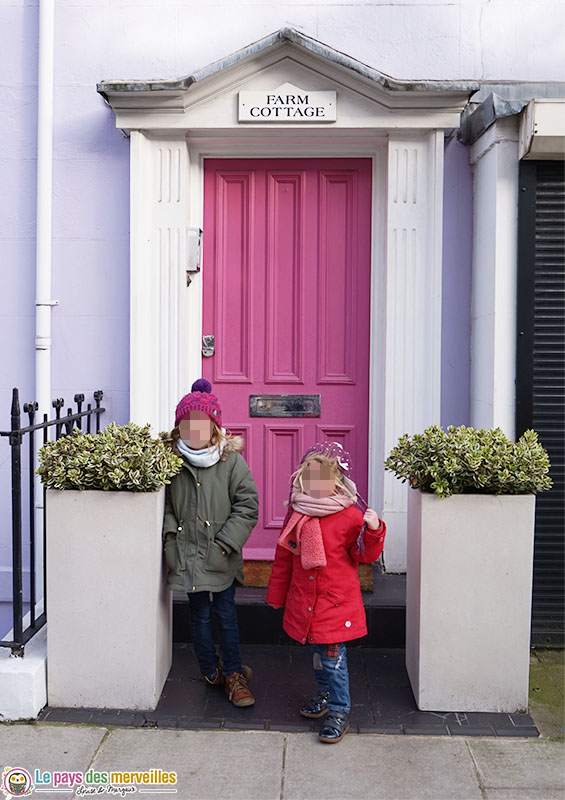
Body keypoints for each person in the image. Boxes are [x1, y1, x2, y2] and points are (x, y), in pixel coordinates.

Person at [266, 442, 386, 743]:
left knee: (333, 658)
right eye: (309, 478)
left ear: (336, 482)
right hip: (305, 602)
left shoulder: (348, 515)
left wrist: (373, 529)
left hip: (335, 604)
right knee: (319, 657)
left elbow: (364, 554)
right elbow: (284, 557)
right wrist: (276, 595)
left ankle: (338, 709)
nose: (315, 484)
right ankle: (324, 694)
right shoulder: (297, 512)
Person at [162, 378, 259, 707]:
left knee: (226, 615)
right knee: (199, 616)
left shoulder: (230, 462)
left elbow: (247, 506)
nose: (195, 431)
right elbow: (163, 508)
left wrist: (225, 543)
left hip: (220, 555)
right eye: (187, 425)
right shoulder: (173, 462)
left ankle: (233, 674)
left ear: (216, 428)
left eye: (202, 425)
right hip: (187, 555)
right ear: (179, 429)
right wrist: (171, 544)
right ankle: (211, 669)